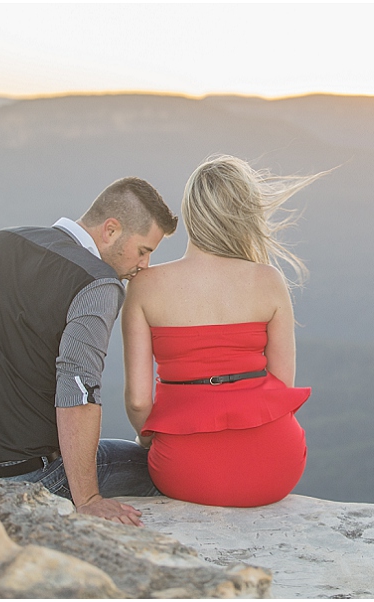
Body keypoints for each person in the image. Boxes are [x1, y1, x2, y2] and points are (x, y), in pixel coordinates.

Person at [0, 177, 178, 526]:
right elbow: (79, 389)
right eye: (143, 250)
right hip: (24, 477)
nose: (145, 265)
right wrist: (89, 499)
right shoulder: (98, 282)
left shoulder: (1, 241)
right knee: (165, 466)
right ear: (111, 230)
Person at [122, 154, 326, 507]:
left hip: (185, 469)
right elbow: (282, 387)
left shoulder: (146, 286)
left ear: (190, 213)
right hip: (276, 466)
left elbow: (139, 400)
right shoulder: (269, 281)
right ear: (247, 215)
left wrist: (149, 440)